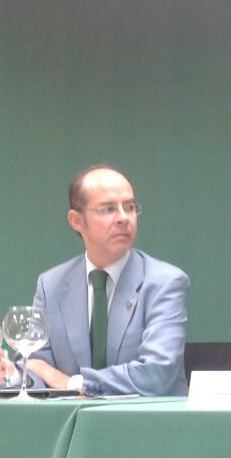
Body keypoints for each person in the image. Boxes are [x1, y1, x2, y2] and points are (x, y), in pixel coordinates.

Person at [19, 165, 190, 396]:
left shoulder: (164, 283)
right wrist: (10, 374)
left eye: (130, 207)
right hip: (69, 419)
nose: (123, 218)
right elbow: (35, 366)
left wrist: (73, 383)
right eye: (108, 209)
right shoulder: (51, 286)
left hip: (146, 418)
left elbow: (156, 374)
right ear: (76, 220)